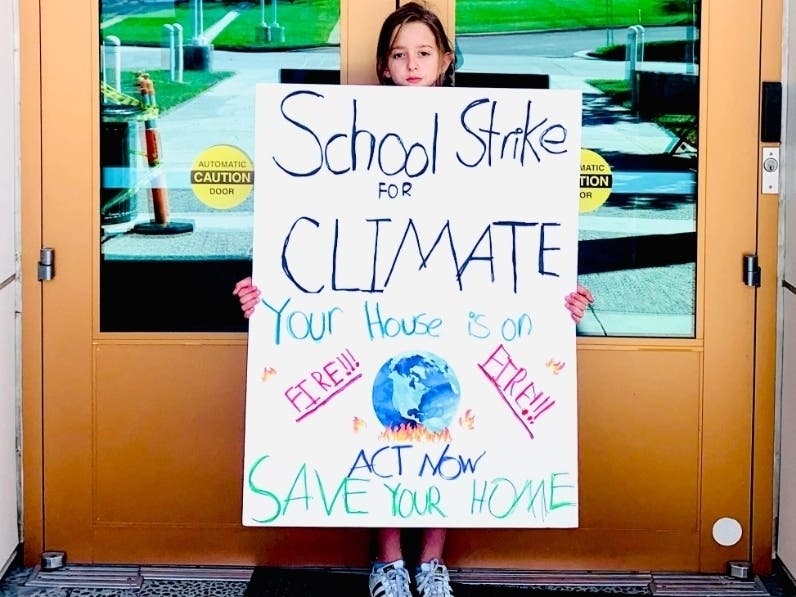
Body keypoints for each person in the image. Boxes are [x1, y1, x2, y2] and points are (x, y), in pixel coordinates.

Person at [234, 3, 594, 596]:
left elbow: (519, 238)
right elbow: (312, 236)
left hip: (459, 316)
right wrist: (270, 300)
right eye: (399, 54)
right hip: (373, 314)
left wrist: (555, 303)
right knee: (374, 423)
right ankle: (388, 560)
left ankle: (431, 561)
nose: (411, 65)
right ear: (382, 64)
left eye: (424, 52)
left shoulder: (487, 131)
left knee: (454, 423)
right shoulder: (350, 130)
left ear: (446, 60)